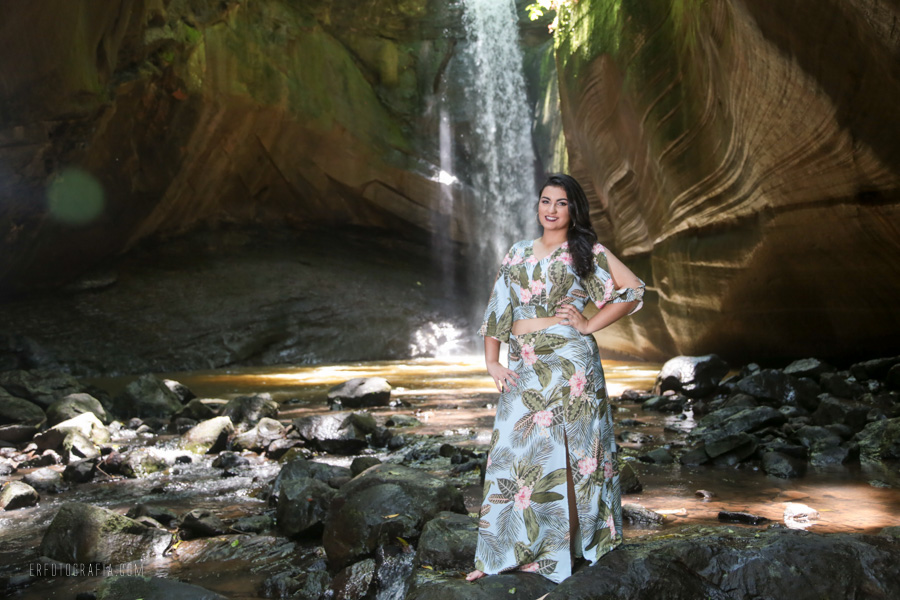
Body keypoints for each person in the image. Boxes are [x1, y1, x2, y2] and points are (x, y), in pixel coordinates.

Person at [467, 173, 645, 584]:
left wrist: (588, 324)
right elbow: (498, 308)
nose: (551, 209)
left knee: (571, 456)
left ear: (573, 209)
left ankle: (561, 550)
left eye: (561, 203)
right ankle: (499, 553)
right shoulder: (517, 252)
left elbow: (633, 290)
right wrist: (491, 362)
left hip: (570, 364)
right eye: (546, 201)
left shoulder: (585, 251)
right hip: (523, 363)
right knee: (512, 452)